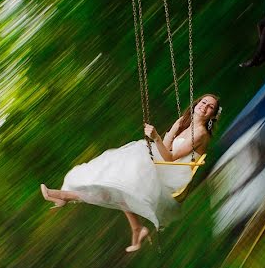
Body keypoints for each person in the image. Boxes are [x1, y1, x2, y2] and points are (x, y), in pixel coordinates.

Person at [40, 94, 221, 252]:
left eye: (210, 106)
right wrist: (166, 134)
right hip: (162, 162)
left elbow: (170, 158)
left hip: (173, 175)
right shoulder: (183, 122)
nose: (204, 107)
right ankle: (135, 228)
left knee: (129, 169)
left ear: (212, 115)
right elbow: (165, 148)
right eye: (203, 102)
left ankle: (65, 196)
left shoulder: (200, 134)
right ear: (196, 104)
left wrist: (156, 137)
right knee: (118, 172)